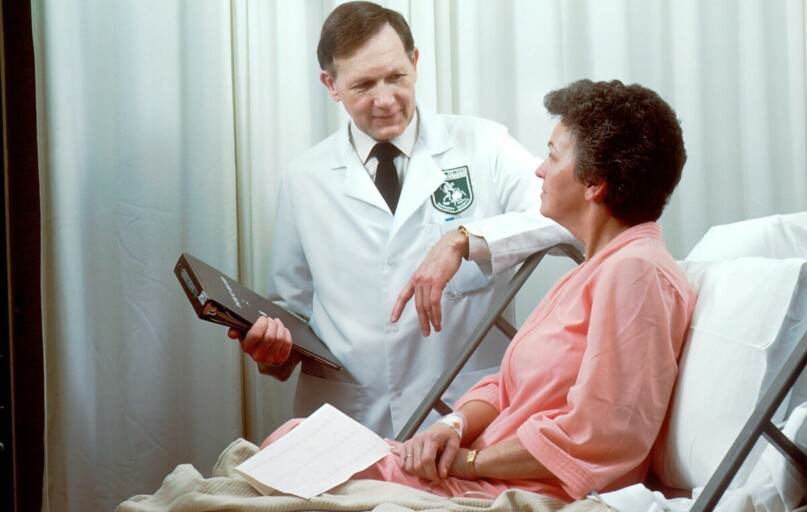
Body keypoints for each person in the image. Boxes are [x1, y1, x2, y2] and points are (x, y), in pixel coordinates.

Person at [262, 78, 696, 502]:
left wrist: (468, 463)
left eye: (551, 156)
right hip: (478, 472)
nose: (539, 169)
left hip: (515, 488)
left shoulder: (636, 273)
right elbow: (506, 386)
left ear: (594, 184)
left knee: (293, 454)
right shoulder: (594, 270)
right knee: (297, 442)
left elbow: (599, 436)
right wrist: (451, 426)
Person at [230, 1, 574, 438]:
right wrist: (273, 353)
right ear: (331, 85)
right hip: (351, 422)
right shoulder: (303, 179)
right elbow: (290, 313)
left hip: (462, 416)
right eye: (363, 85)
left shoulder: (484, 145)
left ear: (415, 61)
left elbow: (569, 215)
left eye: (396, 77)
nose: (385, 100)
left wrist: (463, 239)